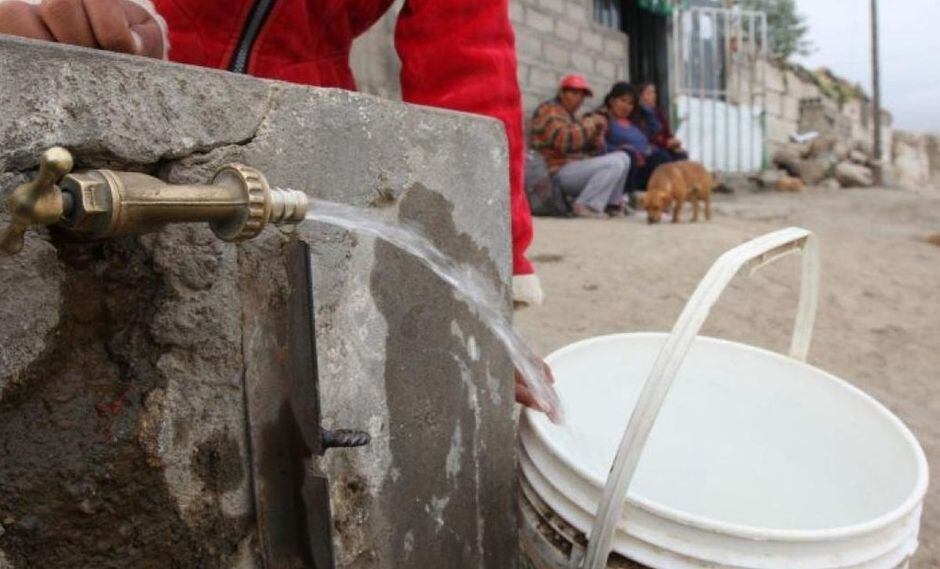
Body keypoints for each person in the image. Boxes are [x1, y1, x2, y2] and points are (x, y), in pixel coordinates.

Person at [0, 0, 554, 412]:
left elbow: (470, 69)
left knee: (285, 382)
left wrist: (483, 287)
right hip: (128, 83)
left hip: (298, 123)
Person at [529, 74, 630, 219]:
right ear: (562, 93)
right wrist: (591, 123)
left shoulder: (570, 116)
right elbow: (563, 140)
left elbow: (585, 150)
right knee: (615, 163)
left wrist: (595, 139)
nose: (579, 99)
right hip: (555, 174)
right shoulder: (550, 110)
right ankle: (586, 205)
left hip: (572, 170)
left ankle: (611, 204)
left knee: (623, 157)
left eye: (582, 95)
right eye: (574, 93)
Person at [599, 82, 673, 198]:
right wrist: (620, 149)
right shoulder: (604, 120)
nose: (626, 106)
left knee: (667, 156)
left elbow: (656, 128)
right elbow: (598, 145)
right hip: (625, 167)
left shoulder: (633, 123)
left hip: (642, 165)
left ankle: (665, 194)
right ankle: (629, 197)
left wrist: (643, 105)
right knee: (631, 155)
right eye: (623, 100)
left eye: (630, 103)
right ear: (612, 101)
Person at [637, 81, 688, 161]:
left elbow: (666, 131)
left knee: (682, 155)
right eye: (649, 93)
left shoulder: (656, 112)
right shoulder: (639, 114)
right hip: (652, 148)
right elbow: (649, 137)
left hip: (663, 145)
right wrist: (666, 143)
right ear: (640, 97)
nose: (653, 96)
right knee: (665, 158)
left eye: (654, 93)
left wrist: (673, 141)